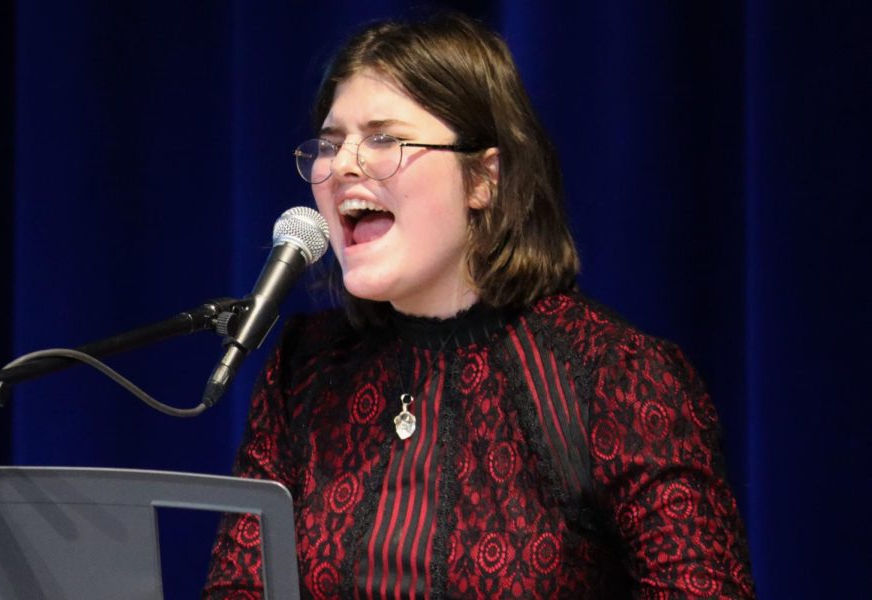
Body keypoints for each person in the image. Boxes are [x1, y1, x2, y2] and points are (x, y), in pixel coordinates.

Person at [203, 12, 755, 599]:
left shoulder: (618, 378)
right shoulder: (305, 369)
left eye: (384, 138)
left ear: (482, 180)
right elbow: (238, 587)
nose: (340, 166)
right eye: (331, 143)